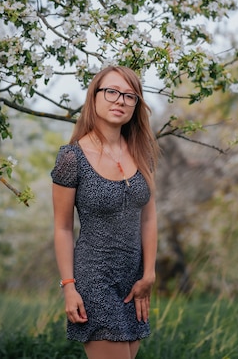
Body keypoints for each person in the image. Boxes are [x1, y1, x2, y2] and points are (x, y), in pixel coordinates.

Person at [51, 65, 160, 359]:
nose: (120, 101)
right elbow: (62, 228)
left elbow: (148, 219)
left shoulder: (142, 153)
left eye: (129, 95)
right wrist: (69, 288)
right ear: (94, 97)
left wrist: (149, 275)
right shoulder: (71, 157)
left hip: (134, 284)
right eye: (111, 91)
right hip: (93, 280)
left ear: (136, 105)